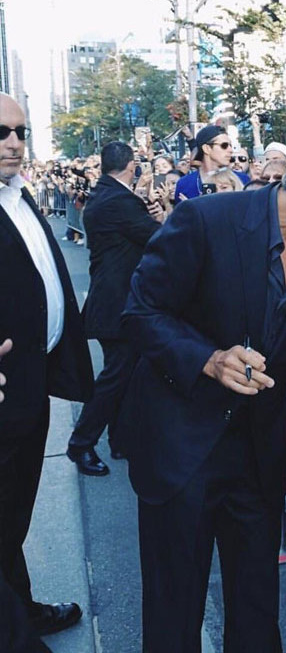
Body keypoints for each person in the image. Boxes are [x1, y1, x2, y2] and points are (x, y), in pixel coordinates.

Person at [120, 129, 286, 653]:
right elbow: (141, 313)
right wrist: (208, 361)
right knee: (174, 614)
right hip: (182, 448)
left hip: (258, 456)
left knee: (257, 613)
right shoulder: (206, 220)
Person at [0, 93, 93, 637]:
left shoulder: (19, 194)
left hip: (31, 391)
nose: (13, 142)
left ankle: (20, 609)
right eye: (1, 132)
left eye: (20, 131)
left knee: (12, 517)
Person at [66, 142, 162, 476]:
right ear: (132, 165)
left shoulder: (106, 195)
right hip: (117, 304)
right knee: (116, 376)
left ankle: (120, 439)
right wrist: (160, 212)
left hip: (114, 302)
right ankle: (81, 443)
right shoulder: (118, 201)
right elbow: (159, 236)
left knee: (123, 373)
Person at [174, 125, 233, 202]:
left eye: (230, 145)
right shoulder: (184, 184)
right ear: (206, 148)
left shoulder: (241, 179)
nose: (230, 150)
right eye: (224, 145)